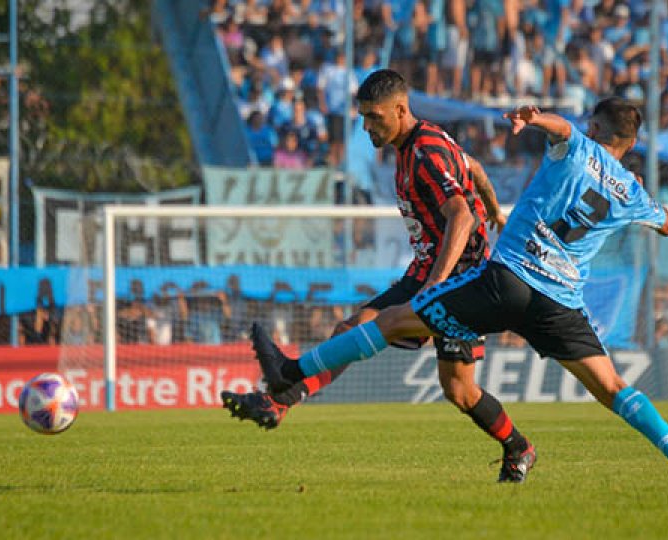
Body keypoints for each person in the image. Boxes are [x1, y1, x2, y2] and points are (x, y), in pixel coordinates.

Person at [245, 97, 668, 490]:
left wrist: (534, 118)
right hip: (560, 304)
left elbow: (561, 129)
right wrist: (637, 191)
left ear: (596, 128)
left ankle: (291, 372)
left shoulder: (579, 146)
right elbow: (666, 225)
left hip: (508, 281)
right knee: (614, 388)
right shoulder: (631, 191)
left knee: (394, 320)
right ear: (632, 143)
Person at [222, 69, 534, 483]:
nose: (367, 126)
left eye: (374, 117)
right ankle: (280, 401)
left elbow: (460, 215)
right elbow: (472, 167)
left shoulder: (424, 152)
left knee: (457, 389)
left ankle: (519, 447)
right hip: (428, 272)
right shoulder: (419, 144)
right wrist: (494, 209)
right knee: (369, 337)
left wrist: (436, 287)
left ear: (400, 110)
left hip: (460, 281)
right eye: (363, 117)